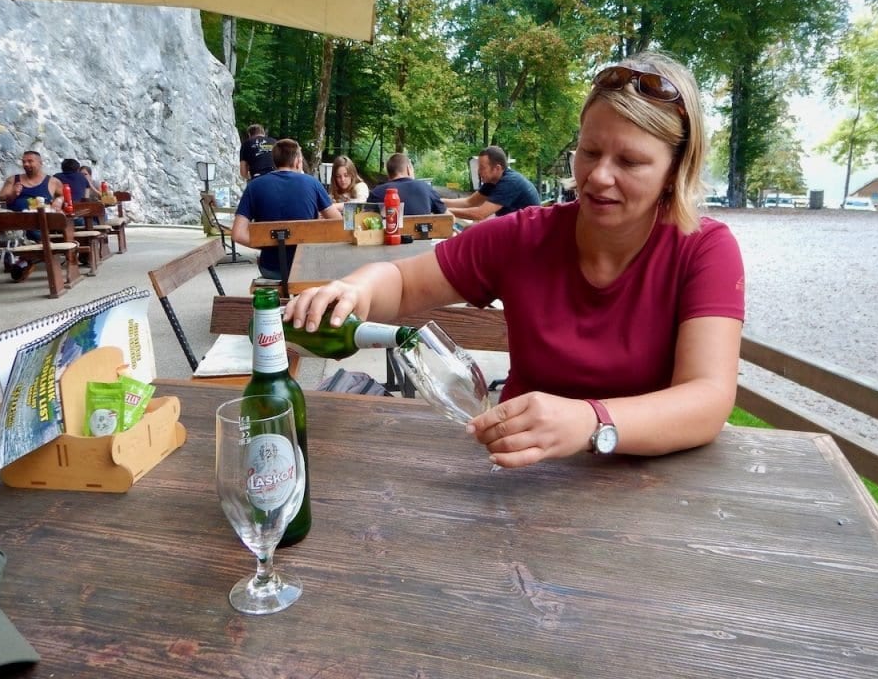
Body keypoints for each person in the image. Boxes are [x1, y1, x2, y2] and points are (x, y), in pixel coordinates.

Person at [286, 51, 745, 468]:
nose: (599, 176)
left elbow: (707, 398)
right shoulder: (526, 235)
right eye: (589, 152)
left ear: (676, 170)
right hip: (523, 474)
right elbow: (403, 283)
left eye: (630, 162)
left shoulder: (704, 248)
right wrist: (357, 288)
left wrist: (591, 422)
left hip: (654, 487)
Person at [231, 139, 342, 279]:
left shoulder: (254, 186)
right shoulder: (312, 183)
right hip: (307, 267)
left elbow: (237, 234)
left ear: (274, 162)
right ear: (297, 161)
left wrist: (267, 245)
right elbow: (338, 223)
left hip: (271, 269)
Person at [443, 146, 540, 221]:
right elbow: (469, 202)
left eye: (482, 167)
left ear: (497, 168)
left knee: (472, 232)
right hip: (514, 228)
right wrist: (436, 201)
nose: (479, 171)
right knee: (470, 230)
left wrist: (443, 211)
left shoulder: (510, 182)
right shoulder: (492, 181)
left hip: (527, 235)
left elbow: (480, 214)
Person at [368, 153, 446, 215]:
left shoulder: (376, 192)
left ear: (388, 173)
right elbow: (449, 218)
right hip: (422, 235)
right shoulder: (425, 187)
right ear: (408, 169)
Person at [0, 151, 64, 213]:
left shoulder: (53, 181)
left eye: (30, 161)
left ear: (40, 163)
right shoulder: (13, 180)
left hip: (43, 222)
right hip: (15, 221)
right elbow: (1, 200)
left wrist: (59, 200)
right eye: (24, 162)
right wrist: (13, 193)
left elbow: (64, 196)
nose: (26, 164)